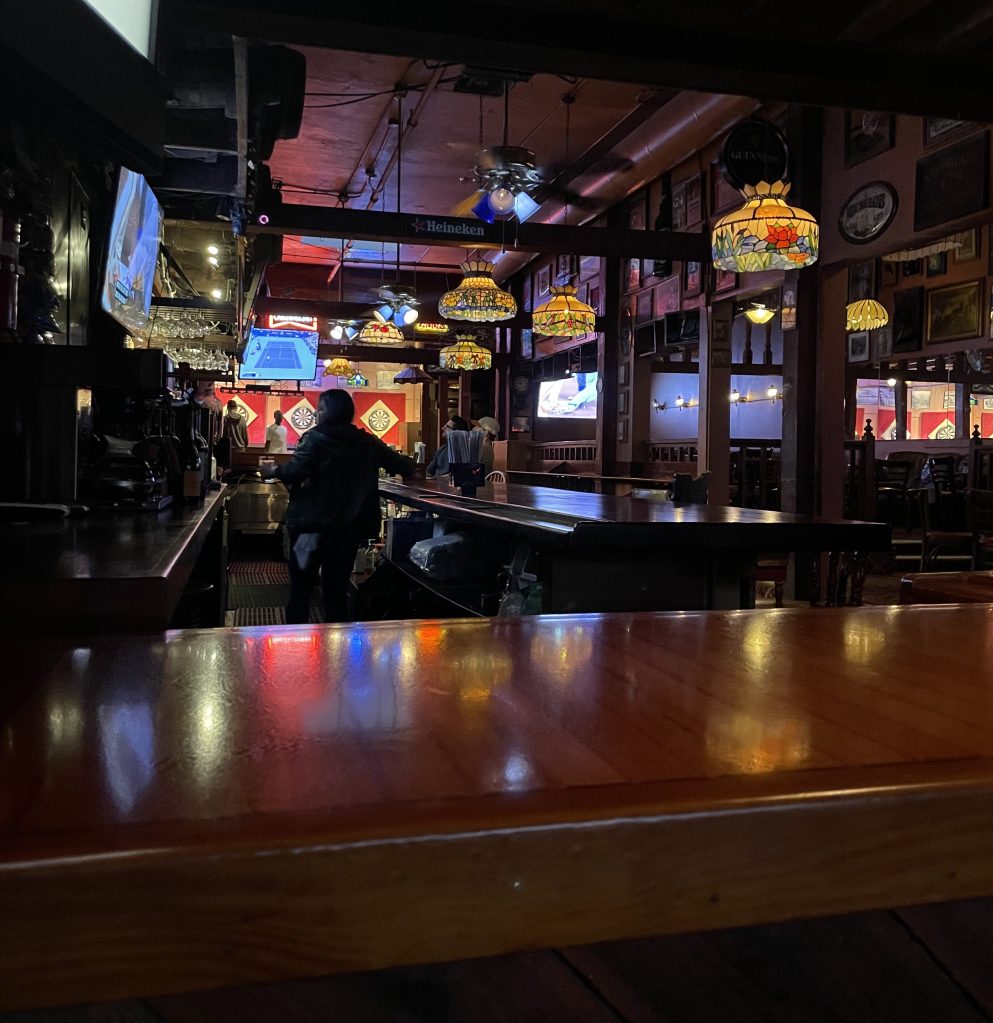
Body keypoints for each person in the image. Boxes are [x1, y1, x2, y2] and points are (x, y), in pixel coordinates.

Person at [261, 389, 414, 624]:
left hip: (309, 530)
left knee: (301, 591)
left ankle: (291, 650)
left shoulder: (314, 438)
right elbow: (403, 466)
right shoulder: (367, 441)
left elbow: (296, 471)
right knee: (336, 594)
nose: (315, 412)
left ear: (325, 411)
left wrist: (274, 470)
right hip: (347, 531)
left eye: (319, 408)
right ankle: (337, 654)